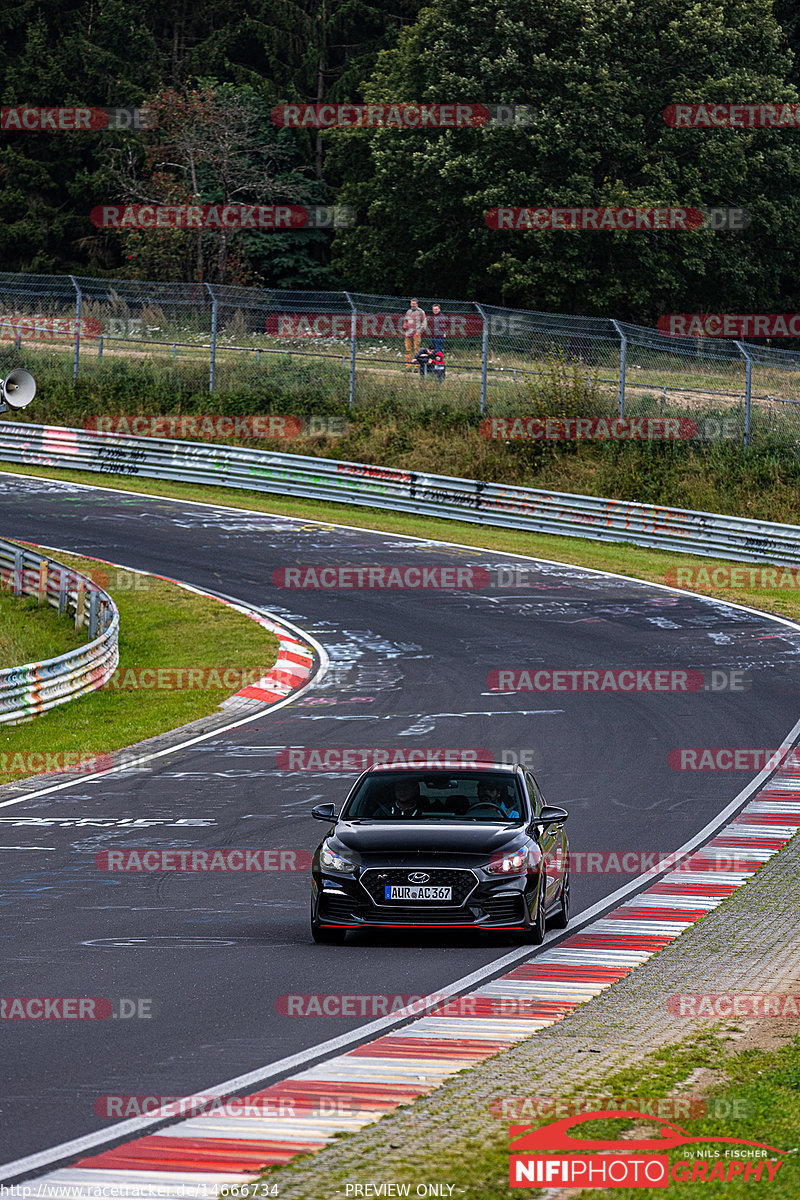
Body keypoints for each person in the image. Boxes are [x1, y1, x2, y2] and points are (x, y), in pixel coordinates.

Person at [402, 299, 428, 371]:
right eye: (411, 304)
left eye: (414, 304)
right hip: (408, 334)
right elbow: (405, 320)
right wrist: (404, 325)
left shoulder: (421, 312)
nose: (412, 305)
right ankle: (408, 366)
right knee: (408, 350)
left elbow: (424, 323)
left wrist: (419, 331)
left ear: (417, 304)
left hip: (416, 334)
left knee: (417, 350)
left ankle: (417, 366)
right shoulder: (408, 311)